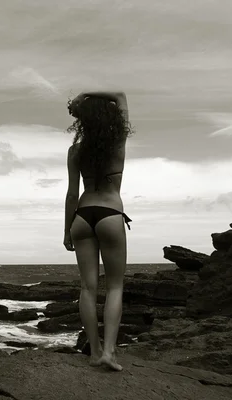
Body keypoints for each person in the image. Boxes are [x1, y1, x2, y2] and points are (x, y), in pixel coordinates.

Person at [63, 91, 134, 371]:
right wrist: (86, 95)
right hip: (109, 213)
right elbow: (120, 95)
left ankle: (93, 352)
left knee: (88, 288)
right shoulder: (117, 142)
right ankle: (109, 352)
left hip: (82, 215)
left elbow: (71, 194)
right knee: (115, 286)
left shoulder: (75, 150)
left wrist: (67, 231)